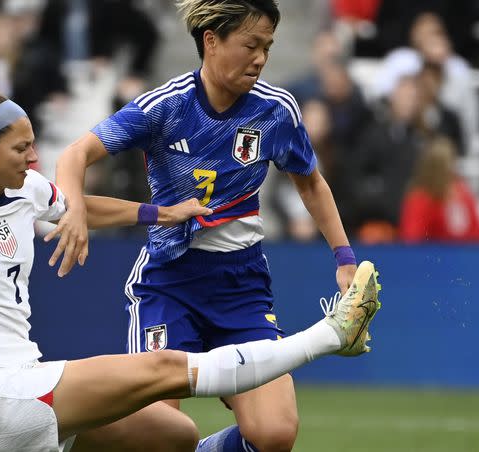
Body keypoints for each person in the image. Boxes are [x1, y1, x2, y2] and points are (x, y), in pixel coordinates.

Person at [0, 88, 382, 452]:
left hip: (22, 381)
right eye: (22, 148)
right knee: (165, 371)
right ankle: (332, 335)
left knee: (173, 436)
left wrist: (159, 214)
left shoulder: (25, 190)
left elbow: (80, 207)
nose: (35, 157)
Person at [50, 1, 360, 450]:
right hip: (169, 283)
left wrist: (344, 258)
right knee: (157, 431)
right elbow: (74, 155)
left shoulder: (275, 110)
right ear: (211, 41)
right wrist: (73, 207)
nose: (260, 58)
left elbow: (310, 183)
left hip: (241, 287)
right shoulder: (164, 106)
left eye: (267, 47)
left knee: (274, 435)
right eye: (250, 44)